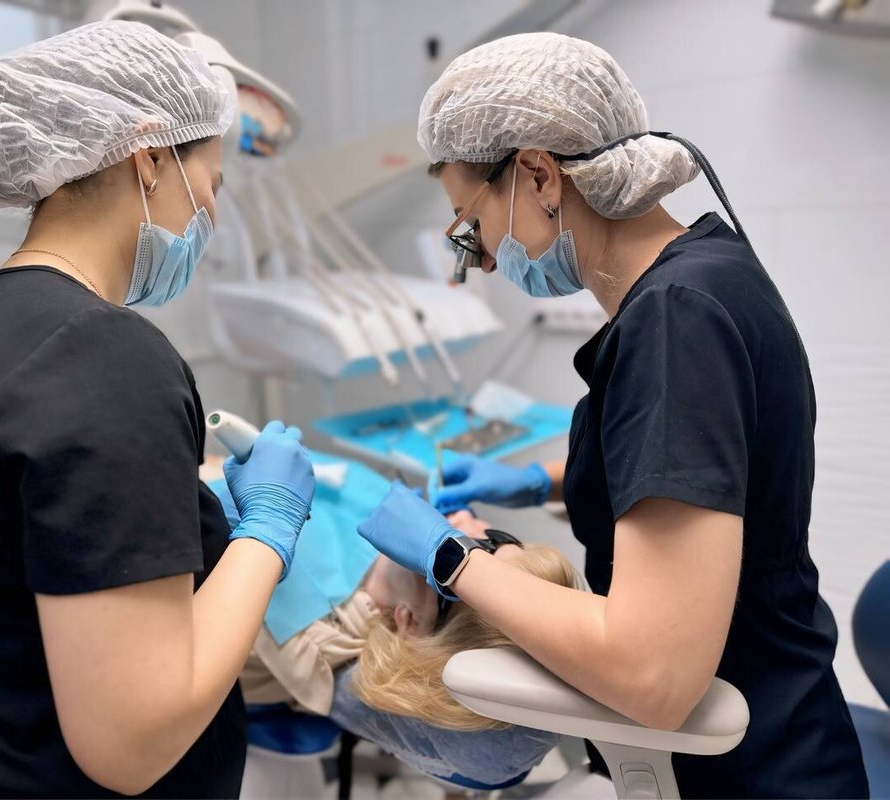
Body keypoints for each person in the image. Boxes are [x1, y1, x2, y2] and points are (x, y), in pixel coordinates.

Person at [356, 32, 869, 799]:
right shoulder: (707, 273)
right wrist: (541, 481)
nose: (481, 260)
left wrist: (449, 558)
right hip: (784, 722)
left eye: (470, 225)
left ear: (538, 175)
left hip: (751, 770)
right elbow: (696, 469)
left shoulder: (672, 324)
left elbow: (652, 676)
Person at [0, 21, 314, 798]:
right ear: (149, 158)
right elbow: (131, 741)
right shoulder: (102, 352)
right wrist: (268, 530)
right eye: (212, 184)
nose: (210, 214)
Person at [235, 506, 582, 787]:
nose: (465, 518)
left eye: (471, 549)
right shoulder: (394, 574)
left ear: (412, 622)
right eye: (500, 539)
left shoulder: (308, 637)